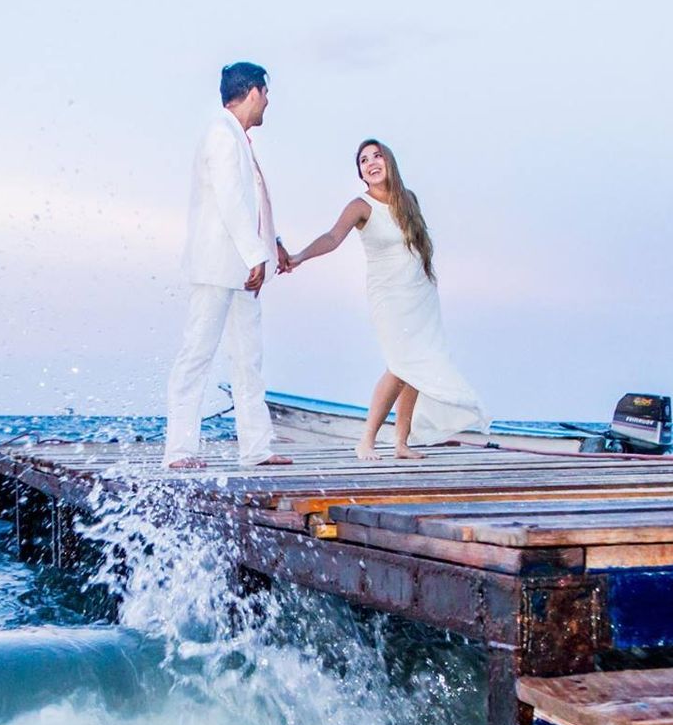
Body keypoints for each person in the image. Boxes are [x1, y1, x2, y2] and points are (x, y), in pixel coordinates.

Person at [281, 138, 487, 459]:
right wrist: (300, 256)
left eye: (377, 156)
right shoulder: (360, 206)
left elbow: (418, 247)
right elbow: (333, 238)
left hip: (420, 295)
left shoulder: (409, 200)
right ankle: (366, 439)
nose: (372, 163)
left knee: (416, 366)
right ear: (361, 173)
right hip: (389, 297)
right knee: (400, 364)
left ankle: (401, 443)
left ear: (389, 162)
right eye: (364, 160)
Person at [162, 62, 295, 470]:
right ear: (254, 92)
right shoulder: (221, 134)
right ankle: (179, 451)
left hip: (244, 270)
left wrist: (272, 246)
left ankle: (256, 448)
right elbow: (228, 200)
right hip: (219, 266)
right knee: (197, 355)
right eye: (266, 94)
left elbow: (251, 203)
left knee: (248, 361)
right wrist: (255, 255)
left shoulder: (238, 137)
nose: (269, 102)